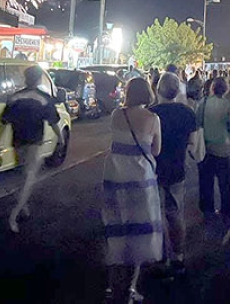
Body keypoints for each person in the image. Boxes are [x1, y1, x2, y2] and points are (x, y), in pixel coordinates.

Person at [102, 78, 163, 304]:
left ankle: (110, 286)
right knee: (139, 231)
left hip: (115, 176)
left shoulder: (117, 115)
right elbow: (156, 150)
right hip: (140, 178)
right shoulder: (152, 119)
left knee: (116, 228)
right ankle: (130, 289)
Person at [0, 66, 63, 234]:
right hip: (34, 142)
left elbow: (4, 121)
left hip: (18, 141)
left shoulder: (15, 97)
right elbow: (54, 122)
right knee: (29, 177)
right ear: (39, 79)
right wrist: (61, 139)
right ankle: (14, 215)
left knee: (23, 174)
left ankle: (23, 206)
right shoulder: (43, 99)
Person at [149, 72, 198, 272]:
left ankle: (160, 256)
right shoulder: (187, 113)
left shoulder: (151, 113)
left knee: (156, 214)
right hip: (177, 167)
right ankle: (178, 255)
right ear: (177, 91)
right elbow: (192, 144)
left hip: (154, 169)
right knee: (176, 214)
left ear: (157, 89)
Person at [197, 77, 230, 217]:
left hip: (206, 147)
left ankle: (208, 209)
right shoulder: (228, 104)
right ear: (225, 89)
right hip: (223, 148)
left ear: (212, 88)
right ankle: (226, 210)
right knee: (224, 182)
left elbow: (198, 123)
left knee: (206, 181)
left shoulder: (203, 102)